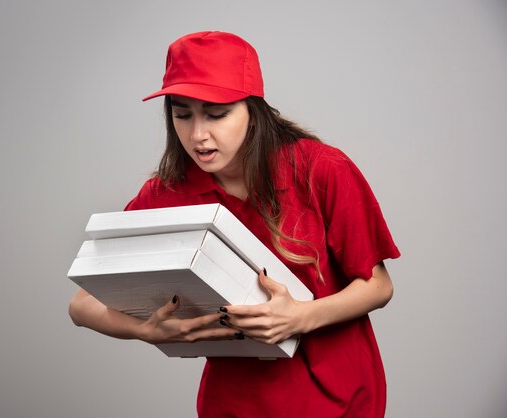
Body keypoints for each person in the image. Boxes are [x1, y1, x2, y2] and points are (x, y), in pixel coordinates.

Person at [69, 31, 400, 417]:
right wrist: (145, 330)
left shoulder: (321, 169)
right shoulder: (165, 194)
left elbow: (378, 285)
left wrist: (299, 316)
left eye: (216, 114)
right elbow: (81, 305)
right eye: (182, 114)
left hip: (340, 398)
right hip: (234, 403)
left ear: (253, 110)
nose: (198, 135)